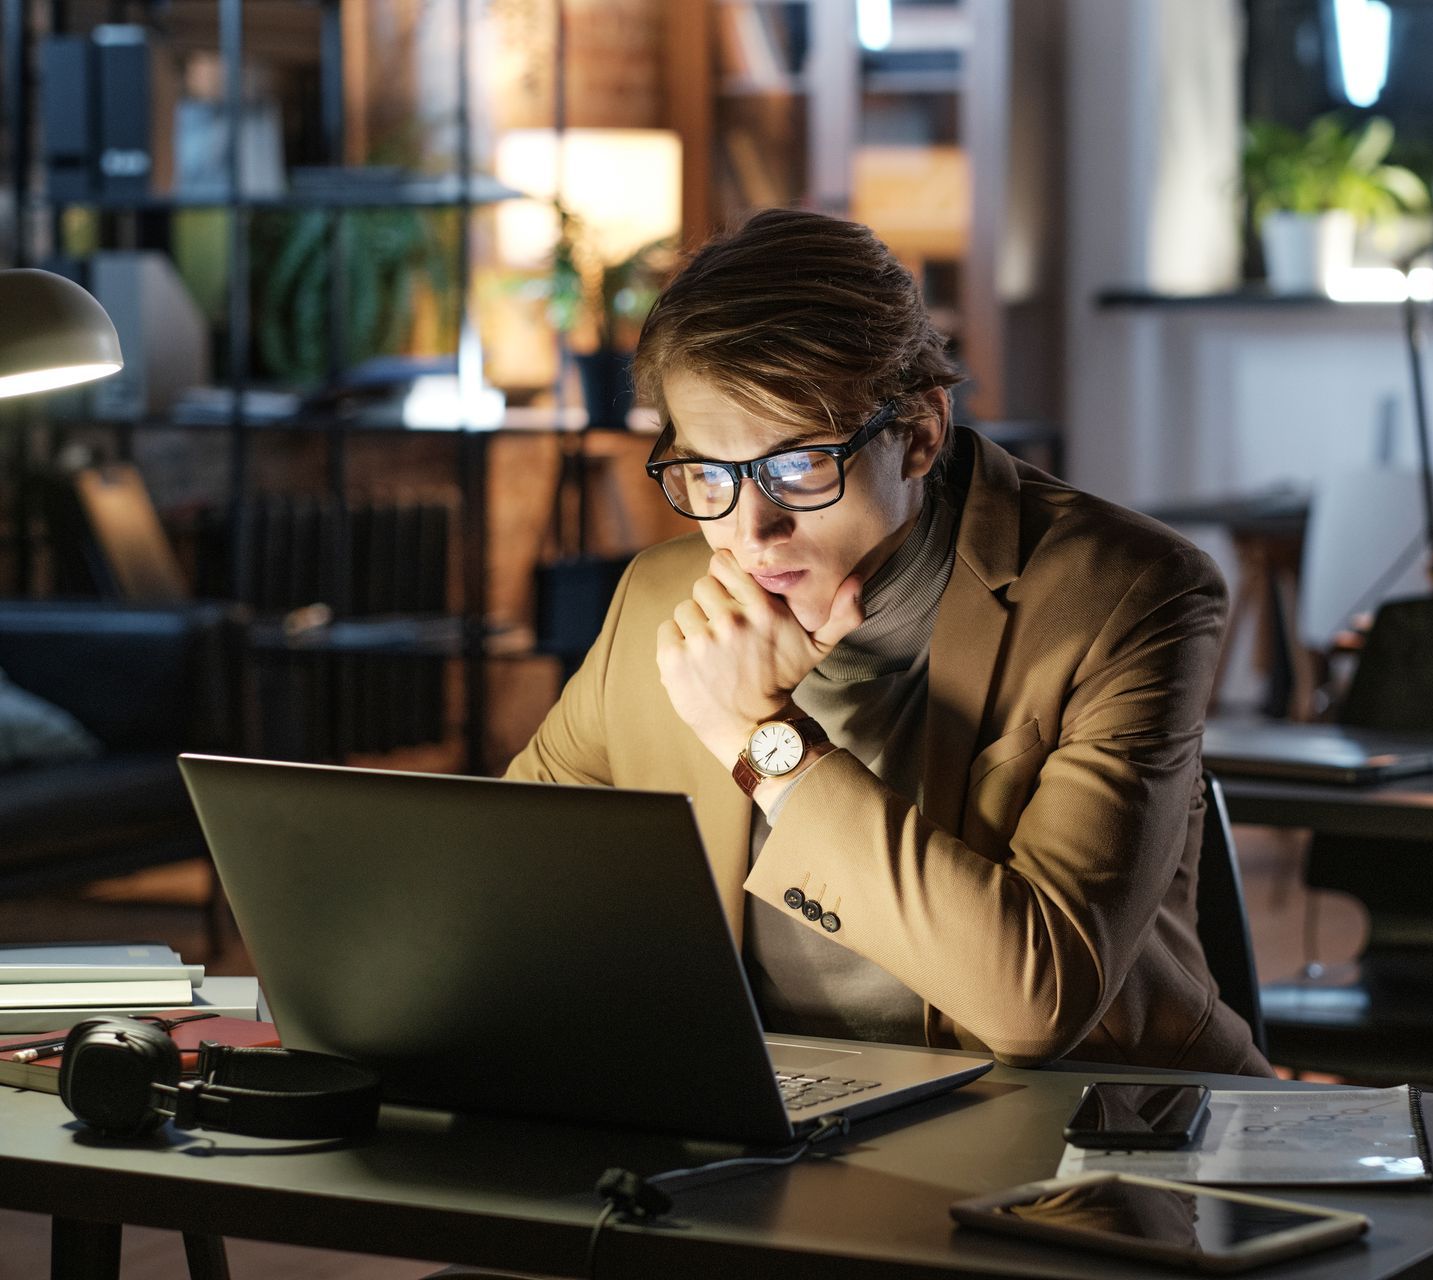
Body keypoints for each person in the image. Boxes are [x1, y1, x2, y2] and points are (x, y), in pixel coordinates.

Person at [507, 208, 1269, 1078]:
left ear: (918, 434)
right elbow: (510, 876)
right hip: (773, 1130)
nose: (752, 531)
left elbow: (1037, 1000)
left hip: (1088, 1137)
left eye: (796, 466)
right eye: (709, 474)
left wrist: (762, 741)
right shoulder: (660, 598)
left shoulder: (1129, 594)